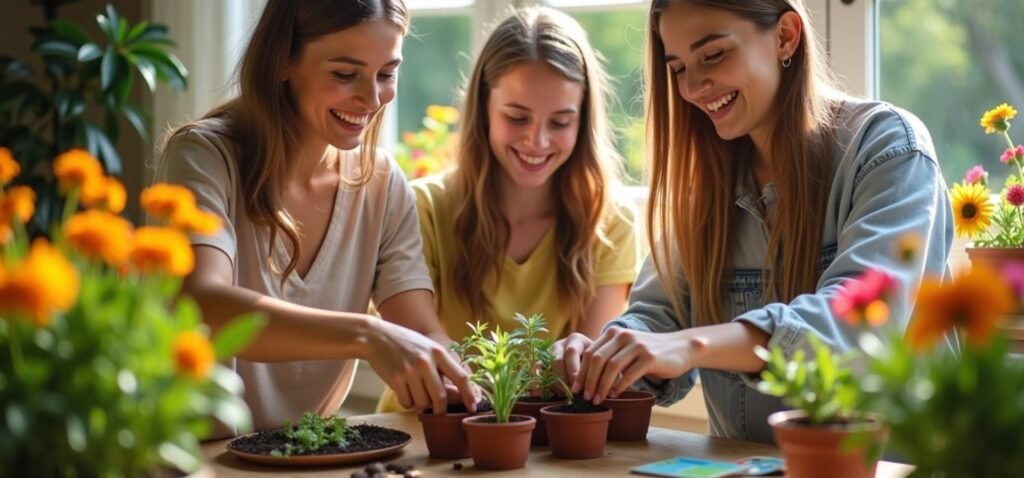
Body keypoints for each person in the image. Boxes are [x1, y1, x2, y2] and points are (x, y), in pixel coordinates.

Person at [553, 0, 952, 444]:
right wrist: (605, 352)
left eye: (713, 55)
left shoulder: (889, 150)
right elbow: (655, 320)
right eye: (679, 67)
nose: (693, 87)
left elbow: (855, 325)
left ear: (785, 36)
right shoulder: (705, 188)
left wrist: (692, 345)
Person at [154, 0, 475, 438]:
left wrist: (486, 380)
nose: (373, 97)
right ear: (283, 60)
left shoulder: (382, 182)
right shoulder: (204, 156)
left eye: (387, 73)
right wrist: (365, 334)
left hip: (311, 453)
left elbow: (420, 330)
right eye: (346, 74)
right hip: (198, 455)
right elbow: (203, 305)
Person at [377, 6, 639, 412]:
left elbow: (588, 375)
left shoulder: (610, 221)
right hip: (423, 435)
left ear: (583, 119)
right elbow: (418, 346)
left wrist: (578, 358)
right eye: (517, 117)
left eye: (561, 121)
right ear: (483, 107)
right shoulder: (422, 208)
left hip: (541, 448)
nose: (537, 140)